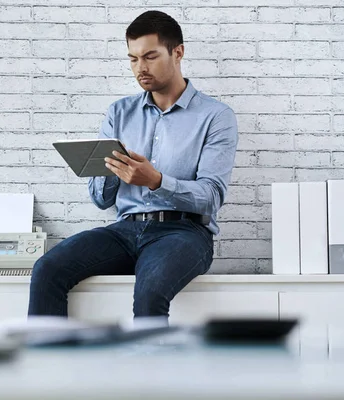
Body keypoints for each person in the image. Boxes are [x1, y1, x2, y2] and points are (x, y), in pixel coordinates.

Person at [27, 10, 239, 321]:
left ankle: (147, 370)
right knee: (47, 268)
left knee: (150, 290)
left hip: (184, 232)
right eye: (133, 59)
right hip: (124, 230)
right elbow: (100, 200)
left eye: (150, 57)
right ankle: (49, 366)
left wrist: (155, 180)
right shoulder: (120, 112)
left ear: (177, 52)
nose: (140, 68)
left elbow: (211, 196)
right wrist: (114, 167)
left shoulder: (216, 116)